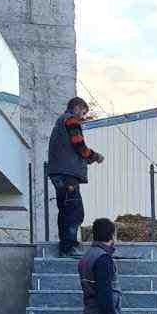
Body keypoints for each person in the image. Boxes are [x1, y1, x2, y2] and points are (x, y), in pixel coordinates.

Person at [47, 96, 103, 257]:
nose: (83, 117)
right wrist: (94, 156)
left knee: (65, 210)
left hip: (58, 172)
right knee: (74, 210)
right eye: (83, 112)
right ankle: (69, 247)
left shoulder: (60, 123)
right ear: (77, 107)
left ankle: (65, 246)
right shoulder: (71, 120)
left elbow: (70, 148)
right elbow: (79, 145)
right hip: (67, 175)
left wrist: (85, 158)